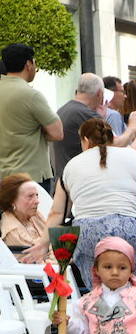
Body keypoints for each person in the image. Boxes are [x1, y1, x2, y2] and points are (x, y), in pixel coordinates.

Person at [48, 119, 136, 291]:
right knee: (135, 289)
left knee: (97, 292)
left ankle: (100, 316)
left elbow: (57, 213)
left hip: (89, 231)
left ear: (85, 140)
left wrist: (42, 242)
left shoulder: (72, 165)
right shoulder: (132, 156)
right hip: (128, 227)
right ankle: (135, 315)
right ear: (111, 137)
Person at [0, 44, 62, 192]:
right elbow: (57, 133)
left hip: (3, 176)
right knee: (36, 216)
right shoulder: (31, 95)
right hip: (31, 176)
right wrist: (39, 129)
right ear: (28, 64)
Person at [52, 74, 106, 182]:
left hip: (64, 178)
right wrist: (134, 129)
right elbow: (114, 143)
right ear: (99, 93)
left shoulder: (63, 109)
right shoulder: (85, 113)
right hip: (79, 180)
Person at [1, 173, 50, 266]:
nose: (37, 201)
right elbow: (39, 259)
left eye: (37, 195)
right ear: (12, 201)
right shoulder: (12, 230)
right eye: (30, 196)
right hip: (37, 276)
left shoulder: (35, 216)